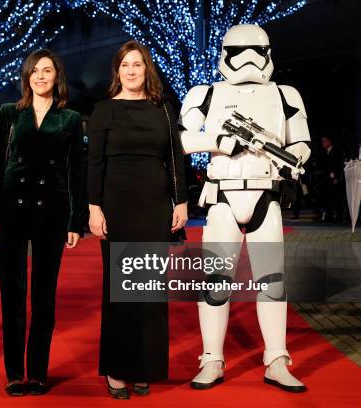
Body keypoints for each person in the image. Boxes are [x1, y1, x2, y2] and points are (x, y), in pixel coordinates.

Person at [179, 24, 311, 392]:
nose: (248, 59)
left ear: (268, 52)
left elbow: (300, 142)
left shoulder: (285, 94)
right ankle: (212, 357)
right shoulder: (205, 94)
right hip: (222, 194)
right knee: (216, 281)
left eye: (256, 50)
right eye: (239, 51)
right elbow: (182, 139)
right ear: (225, 53)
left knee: (271, 282)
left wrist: (291, 158)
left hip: (265, 195)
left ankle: (276, 358)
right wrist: (220, 142)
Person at [0, 49, 86, 397]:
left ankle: (37, 372)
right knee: (12, 295)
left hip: (52, 211)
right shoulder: (10, 113)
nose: (41, 76)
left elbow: (76, 172)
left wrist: (75, 220)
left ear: (57, 77)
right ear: (26, 77)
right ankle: (14, 373)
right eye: (35, 71)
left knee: (44, 296)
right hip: (11, 208)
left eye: (48, 70)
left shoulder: (70, 118)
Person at [87, 40, 188, 399]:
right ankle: (117, 370)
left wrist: (182, 202)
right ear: (117, 71)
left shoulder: (163, 109)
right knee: (119, 291)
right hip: (116, 206)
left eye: (138, 65)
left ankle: (144, 368)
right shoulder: (103, 110)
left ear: (147, 70)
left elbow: (175, 157)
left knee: (149, 292)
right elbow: (94, 163)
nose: (131, 71)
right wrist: (94, 207)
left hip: (155, 205)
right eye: (125, 65)